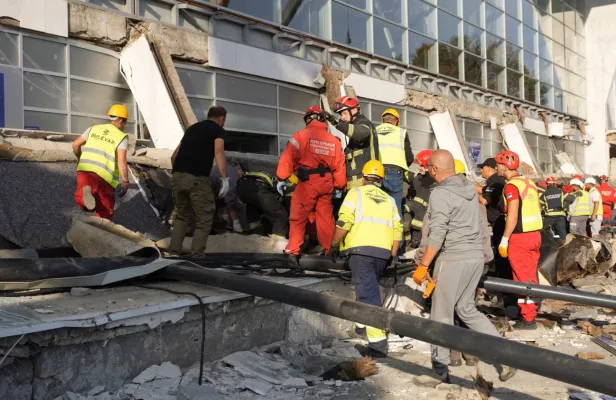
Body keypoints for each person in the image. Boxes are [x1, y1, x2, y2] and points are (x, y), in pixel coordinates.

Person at [413, 149, 516, 383]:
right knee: (467, 309)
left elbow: (436, 233)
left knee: (441, 315)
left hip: (452, 259)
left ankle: (439, 370)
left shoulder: (440, 194)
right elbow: (480, 224)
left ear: (435, 169)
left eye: (429, 167)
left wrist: (423, 264)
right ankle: (508, 357)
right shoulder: (469, 188)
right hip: (474, 258)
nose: (427, 171)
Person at [329, 160, 402, 358]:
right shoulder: (389, 200)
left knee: (369, 297)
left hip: (361, 252)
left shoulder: (356, 193)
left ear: (363, 178)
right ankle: (362, 328)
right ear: (381, 180)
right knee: (367, 290)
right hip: (382, 254)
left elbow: (344, 221)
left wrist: (334, 245)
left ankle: (378, 345)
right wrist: (393, 255)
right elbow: (397, 229)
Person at [277, 106, 346, 262]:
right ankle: (329, 250)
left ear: (308, 119)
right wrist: (339, 185)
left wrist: (282, 177)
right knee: (325, 218)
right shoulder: (334, 141)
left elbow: (287, 159)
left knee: (298, 216)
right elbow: (340, 167)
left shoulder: (300, 136)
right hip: (327, 184)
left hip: (308, 182)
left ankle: (293, 251)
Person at [169, 106, 229, 255]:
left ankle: (173, 253)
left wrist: (179, 173)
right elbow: (219, 153)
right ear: (221, 119)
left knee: (182, 216)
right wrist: (224, 177)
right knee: (205, 217)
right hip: (196, 178)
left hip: (177, 175)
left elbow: (174, 155)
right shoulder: (217, 130)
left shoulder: (192, 128)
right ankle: (197, 256)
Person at [495, 150, 542, 330]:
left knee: (522, 278)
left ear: (504, 166)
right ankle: (532, 309)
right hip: (535, 235)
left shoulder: (511, 187)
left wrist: (504, 240)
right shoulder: (529, 183)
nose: (497, 167)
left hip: (520, 238)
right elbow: (537, 208)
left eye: (498, 164)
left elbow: (512, 216)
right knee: (530, 276)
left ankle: (528, 318)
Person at [72, 104, 130, 220]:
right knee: (105, 210)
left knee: (82, 202)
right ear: (121, 121)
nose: (124, 126)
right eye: (125, 123)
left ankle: (85, 197)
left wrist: (79, 158)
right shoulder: (121, 137)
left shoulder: (93, 128)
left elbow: (75, 144)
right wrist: (125, 182)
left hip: (84, 170)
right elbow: (122, 162)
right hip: (104, 177)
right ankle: (101, 230)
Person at [325, 97, 379, 190]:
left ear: (354, 110)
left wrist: (338, 124)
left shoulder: (365, 123)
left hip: (367, 184)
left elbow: (361, 133)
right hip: (355, 186)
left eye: (344, 113)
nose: (343, 117)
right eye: (341, 115)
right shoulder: (355, 126)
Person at [375, 108, 413, 230]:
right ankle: (398, 246)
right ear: (396, 121)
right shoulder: (401, 132)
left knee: (377, 208)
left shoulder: (374, 130)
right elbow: (409, 158)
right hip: (395, 173)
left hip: (376, 172)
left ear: (383, 121)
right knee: (395, 211)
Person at [236, 169, 289, 238]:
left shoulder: (256, 173)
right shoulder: (280, 181)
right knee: (280, 215)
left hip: (241, 188)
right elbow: (279, 197)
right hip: (259, 188)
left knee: (253, 208)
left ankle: (255, 236)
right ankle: (278, 241)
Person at [407, 150, 435, 248]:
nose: (420, 168)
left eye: (422, 165)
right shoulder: (417, 179)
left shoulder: (434, 183)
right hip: (415, 220)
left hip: (424, 224)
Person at [540, 176, 567, 241]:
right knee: (562, 234)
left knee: (544, 232)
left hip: (550, 216)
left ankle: (548, 245)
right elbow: (571, 198)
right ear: (555, 184)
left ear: (546, 184)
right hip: (560, 215)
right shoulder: (560, 191)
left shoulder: (544, 194)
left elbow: (540, 205)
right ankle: (563, 245)